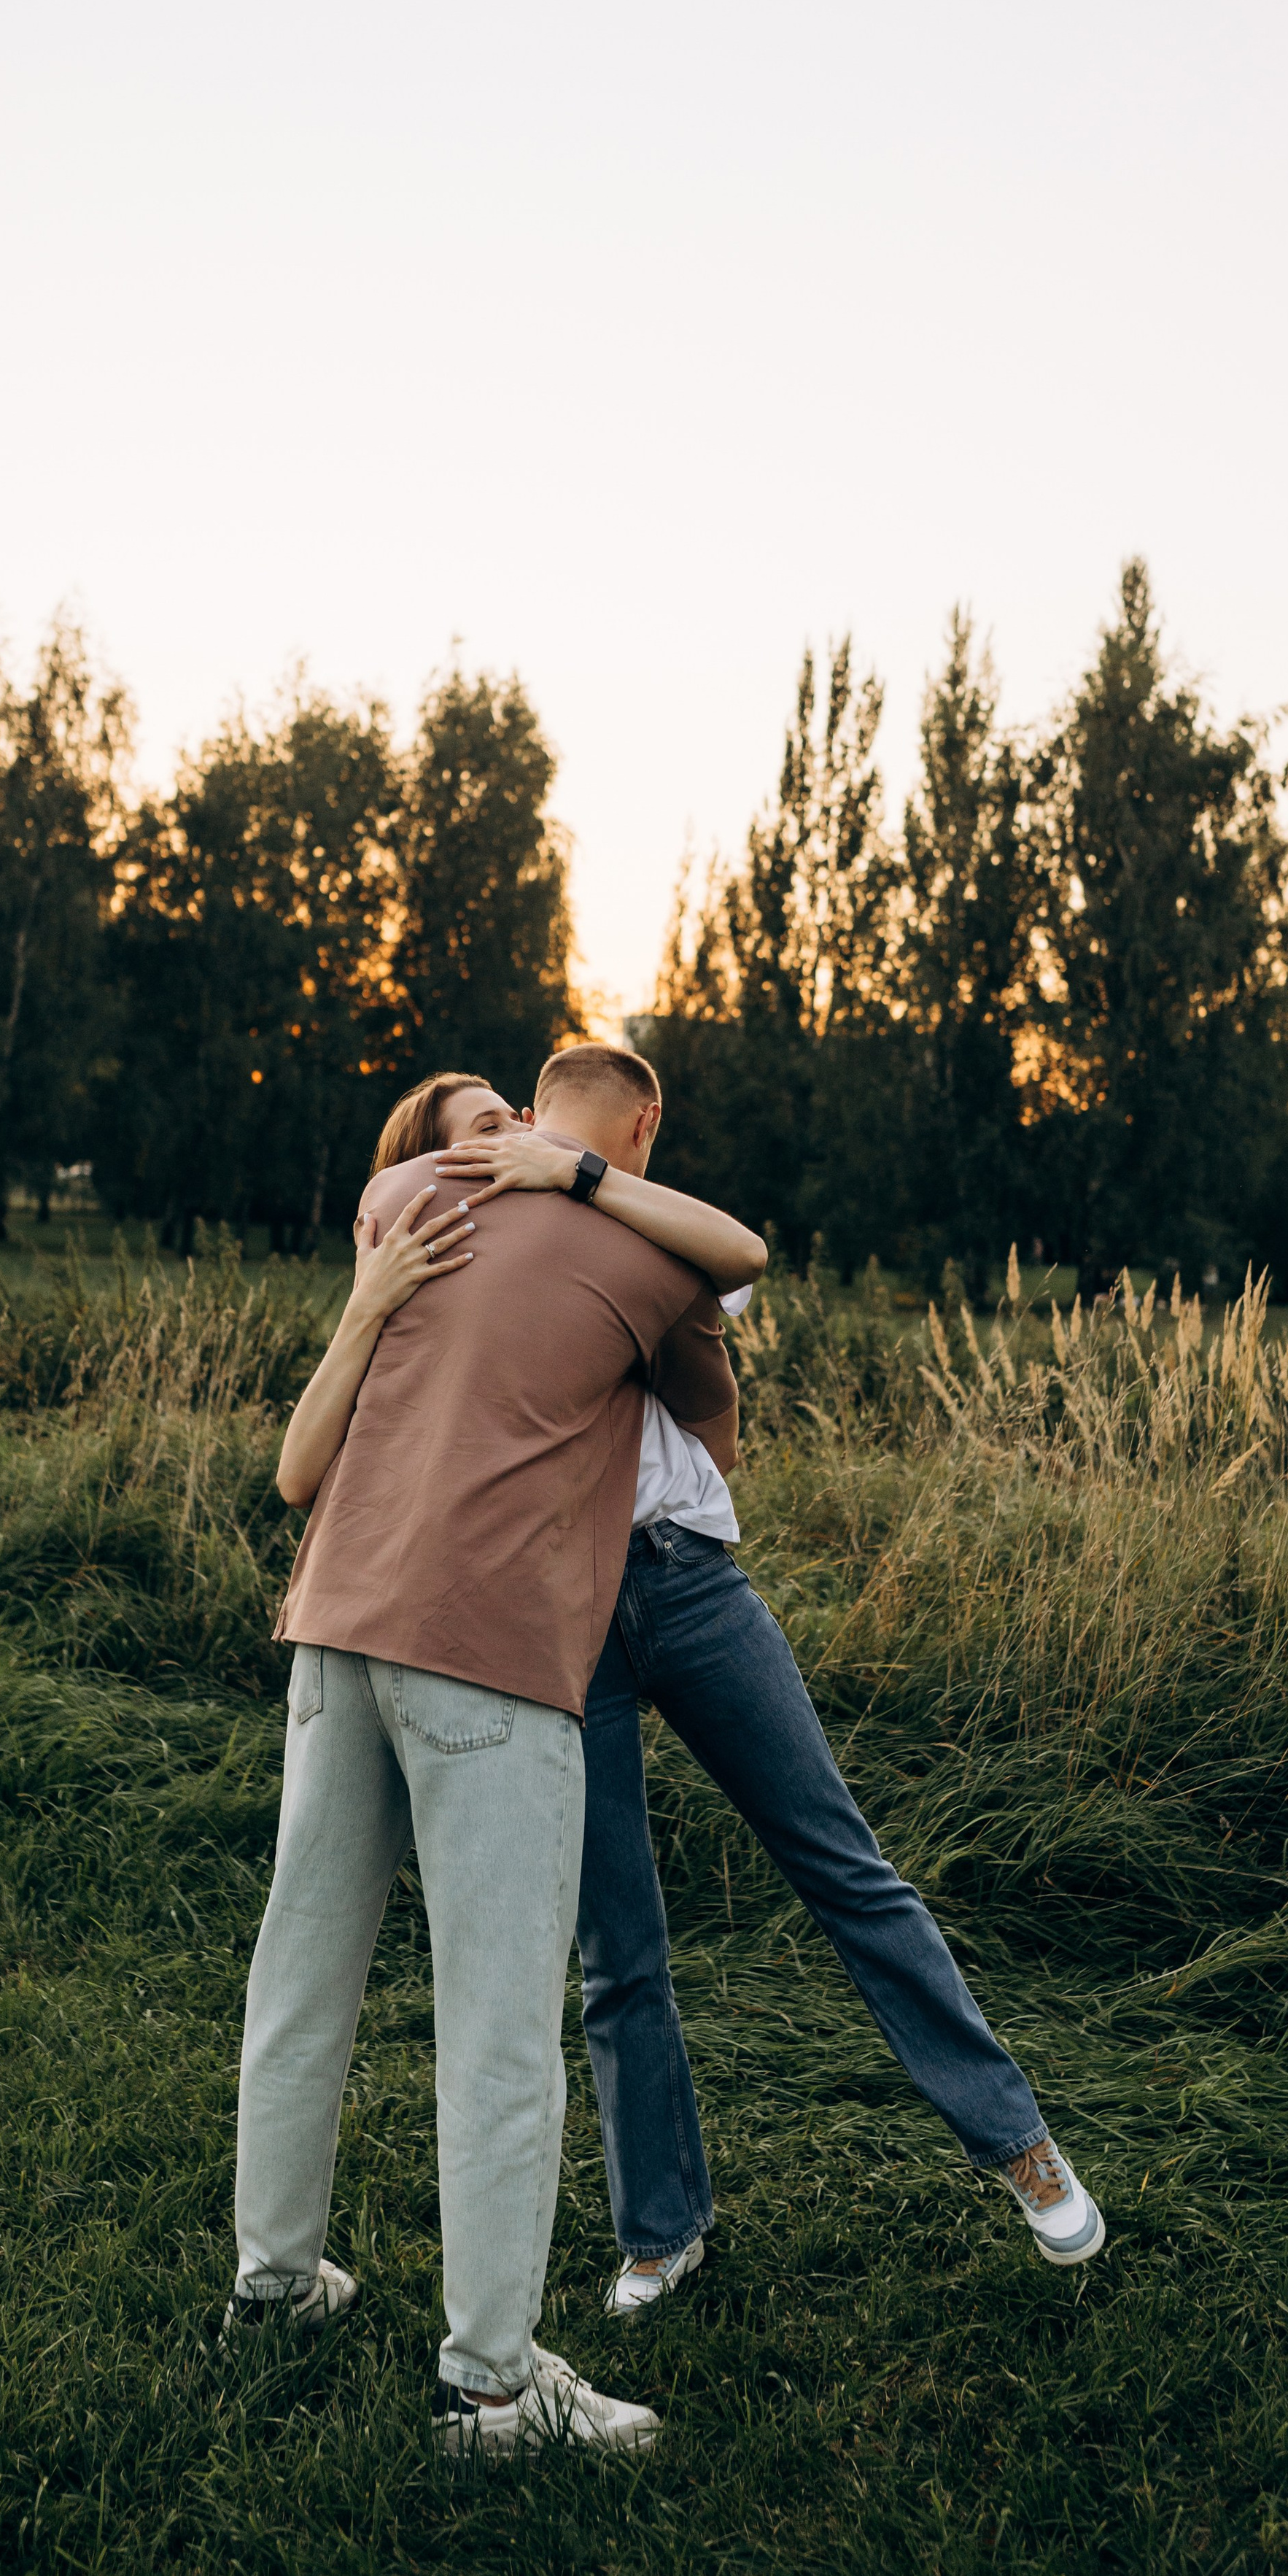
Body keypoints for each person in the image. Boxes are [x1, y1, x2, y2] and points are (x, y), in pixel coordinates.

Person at [426, 1056, 1108, 2303]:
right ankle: (661, 2226)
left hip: (688, 1586)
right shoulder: (487, 1230)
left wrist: (585, 1181)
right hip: (564, 1612)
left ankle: (1021, 2148)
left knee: (841, 1866)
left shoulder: (645, 1227)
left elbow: (740, 1261)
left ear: (622, 1136)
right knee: (614, 1939)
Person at [224, 1054, 765, 2460]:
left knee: (303, 1973)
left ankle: (274, 2287)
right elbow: (715, 1409)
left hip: (340, 1624)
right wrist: (618, 1207)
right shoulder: (644, 1249)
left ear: (529, 1110)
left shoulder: (403, 1194)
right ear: (641, 1128)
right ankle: (492, 2388)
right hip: (494, 1649)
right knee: (503, 2029)